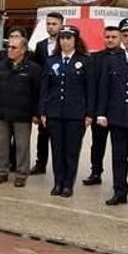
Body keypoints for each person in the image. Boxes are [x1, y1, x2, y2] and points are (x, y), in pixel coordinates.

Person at [39, 24, 91, 197]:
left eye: (69, 38)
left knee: (71, 151)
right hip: (54, 112)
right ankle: (58, 182)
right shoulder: (51, 61)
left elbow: (90, 90)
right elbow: (44, 89)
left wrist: (89, 113)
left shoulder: (84, 61)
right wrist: (43, 111)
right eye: (62, 38)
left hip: (75, 114)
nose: (65, 41)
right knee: (57, 149)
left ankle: (68, 184)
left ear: (76, 40)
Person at [96, 16, 128, 208]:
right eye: (126, 35)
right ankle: (119, 191)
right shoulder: (113, 61)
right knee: (118, 158)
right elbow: (105, 89)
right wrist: (102, 113)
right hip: (117, 118)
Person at [0, 33, 42, 187]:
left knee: (22, 145)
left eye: (13, 47)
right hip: (3, 112)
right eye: (8, 47)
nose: (9, 50)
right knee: (2, 144)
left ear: (23, 50)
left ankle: (21, 174)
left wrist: (36, 113)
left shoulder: (33, 69)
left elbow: (38, 93)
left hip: (23, 114)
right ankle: (2, 172)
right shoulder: (0, 66)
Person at [83, 25, 122, 186]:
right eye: (107, 37)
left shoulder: (125, 57)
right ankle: (95, 172)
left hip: (120, 111)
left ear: (119, 38)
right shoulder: (95, 58)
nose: (110, 40)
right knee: (97, 144)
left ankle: (119, 180)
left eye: (114, 37)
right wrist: (91, 112)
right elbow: (90, 86)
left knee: (119, 149)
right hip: (99, 110)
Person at [31, 12, 64, 174]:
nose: (51, 27)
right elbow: (37, 71)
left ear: (61, 25)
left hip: (61, 94)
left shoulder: (67, 44)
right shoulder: (41, 45)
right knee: (42, 133)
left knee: (60, 135)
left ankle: (62, 166)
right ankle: (40, 163)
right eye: (48, 24)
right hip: (45, 95)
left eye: (54, 24)